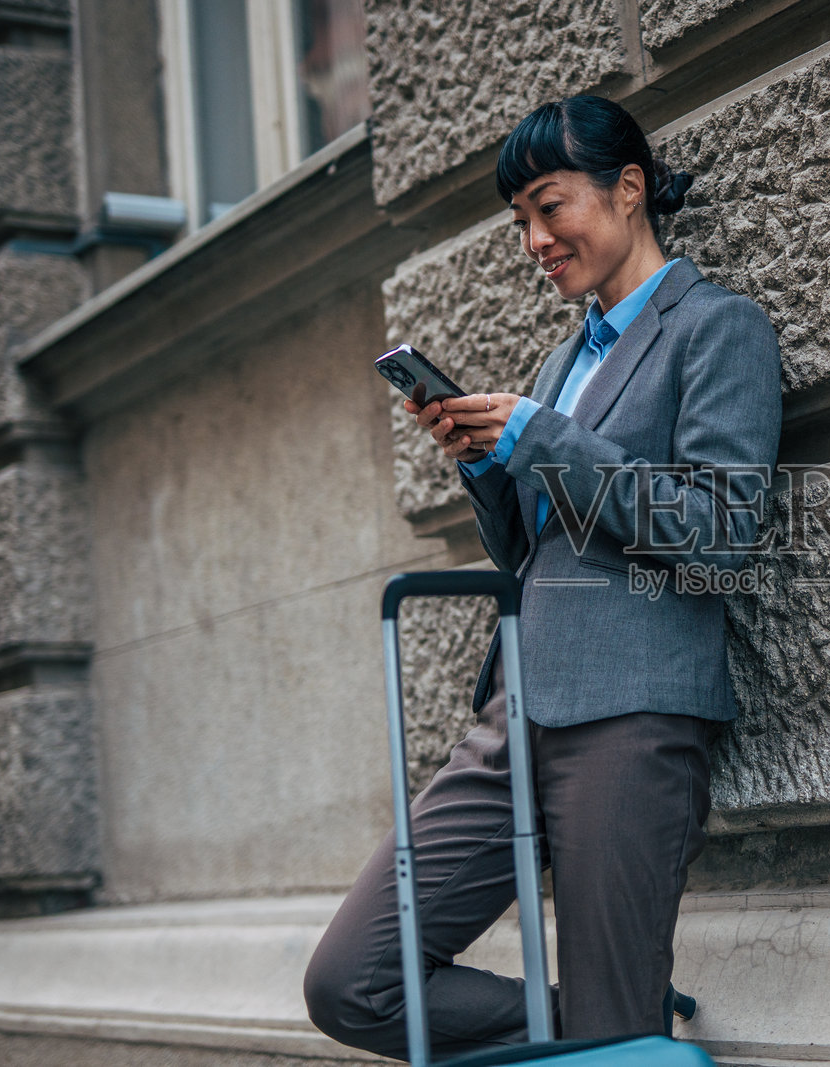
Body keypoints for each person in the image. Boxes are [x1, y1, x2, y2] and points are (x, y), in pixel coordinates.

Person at [303, 94, 783, 1060]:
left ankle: (621, 1020)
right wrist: (488, 467)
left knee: (614, 1037)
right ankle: (616, 1018)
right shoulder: (565, 357)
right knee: (354, 980)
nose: (533, 239)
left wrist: (542, 436)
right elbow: (536, 553)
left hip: (634, 713)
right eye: (519, 219)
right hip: (514, 714)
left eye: (549, 207)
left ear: (629, 189)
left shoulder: (718, 327)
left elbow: (721, 530)